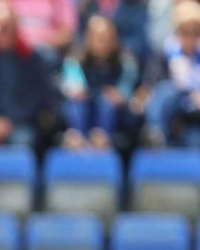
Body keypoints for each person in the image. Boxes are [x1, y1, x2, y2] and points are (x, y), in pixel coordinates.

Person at [0, 2, 64, 149]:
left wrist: (9, 122)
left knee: (24, 142)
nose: (3, 33)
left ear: (16, 28)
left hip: (21, 123)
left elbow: (39, 99)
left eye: (7, 28)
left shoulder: (34, 58)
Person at [141, 0, 200, 155]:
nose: (190, 37)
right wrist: (192, 94)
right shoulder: (163, 56)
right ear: (177, 31)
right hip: (168, 117)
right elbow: (155, 90)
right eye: (185, 31)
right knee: (169, 90)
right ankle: (154, 134)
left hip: (196, 120)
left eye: (196, 32)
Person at [61, 14, 142, 151]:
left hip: (116, 114)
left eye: (107, 38)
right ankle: (77, 139)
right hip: (86, 108)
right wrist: (78, 91)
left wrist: (118, 95)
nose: (103, 42)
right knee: (76, 104)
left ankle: (102, 139)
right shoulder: (75, 58)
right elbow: (73, 86)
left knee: (107, 102)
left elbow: (125, 90)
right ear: (88, 38)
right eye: (98, 38)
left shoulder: (126, 60)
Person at [81, 0, 149, 63]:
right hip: (91, 63)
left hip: (123, 62)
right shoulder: (87, 4)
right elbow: (81, 35)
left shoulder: (135, 2)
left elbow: (138, 40)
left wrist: (112, 46)